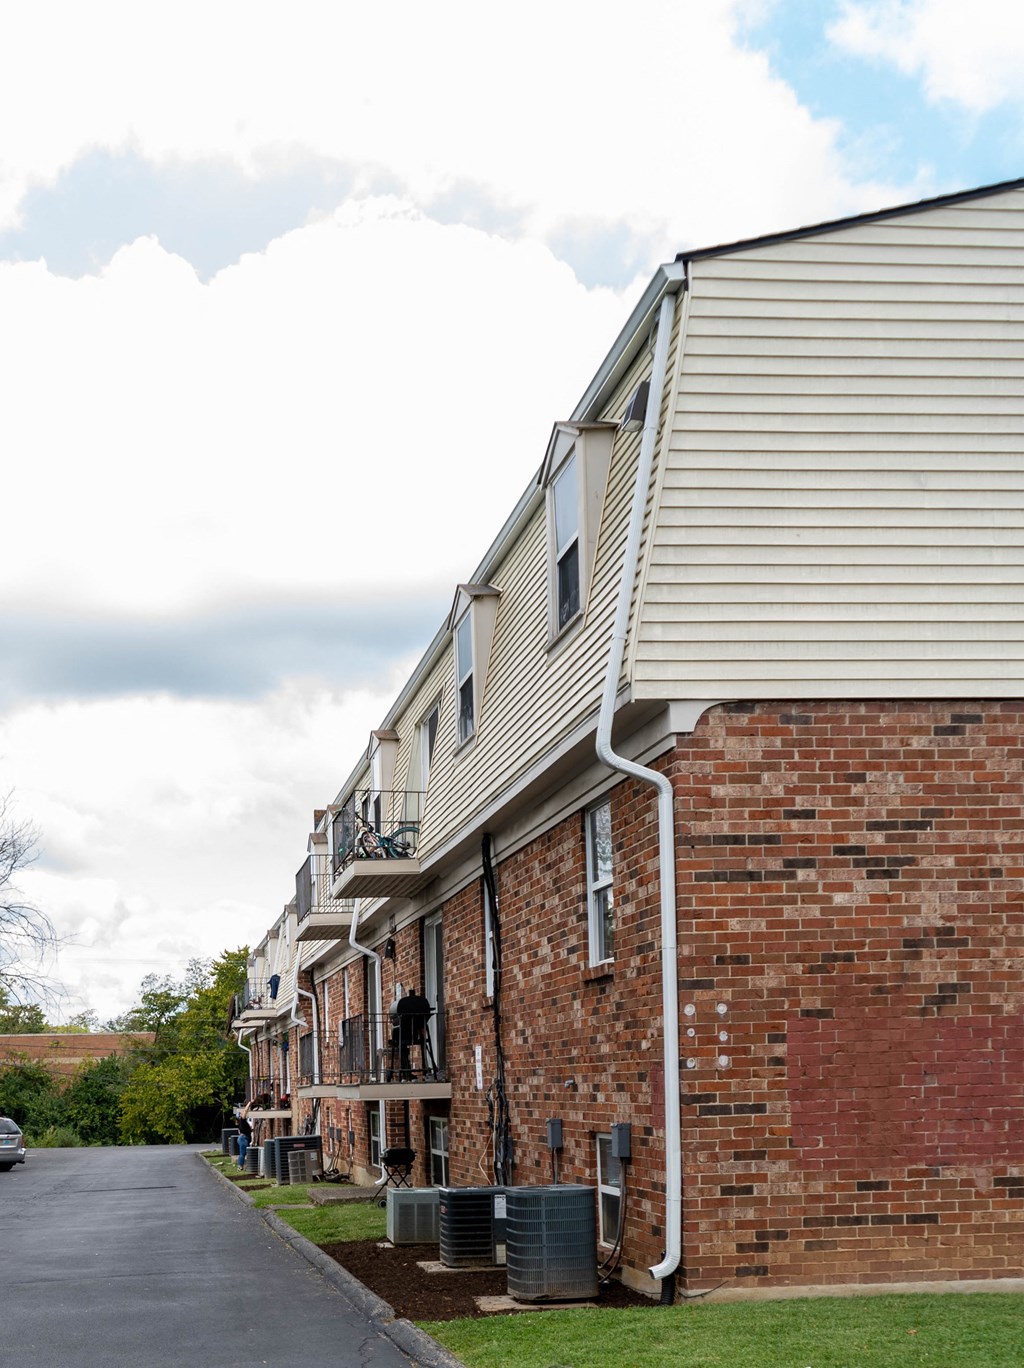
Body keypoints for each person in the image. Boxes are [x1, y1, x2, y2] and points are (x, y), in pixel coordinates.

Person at [236, 1104, 253, 1169]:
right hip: (243, 1138)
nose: (242, 1114)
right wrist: (249, 1103)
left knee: (244, 1153)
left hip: (243, 1138)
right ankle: (240, 1166)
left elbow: (241, 1131)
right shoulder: (242, 1120)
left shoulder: (243, 1123)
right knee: (242, 1153)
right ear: (240, 1117)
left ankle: (242, 1165)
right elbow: (245, 1111)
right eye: (240, 1114)